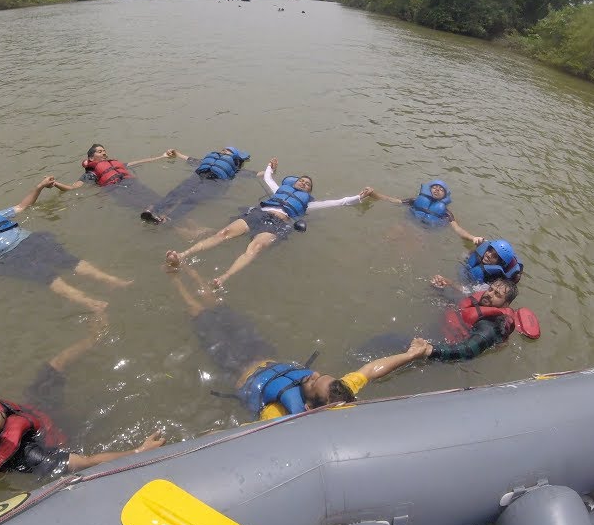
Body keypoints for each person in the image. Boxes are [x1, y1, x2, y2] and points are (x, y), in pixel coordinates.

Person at [0, 320, 167, 499]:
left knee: (55, 365)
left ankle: (94, 337)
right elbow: (85, 461)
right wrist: (139, 451)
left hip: (32, 414)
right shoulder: (28, 455)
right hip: (53, 435)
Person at [170, 266, 433, 421]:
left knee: (199, 313)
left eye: (310, 382)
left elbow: (249, 437)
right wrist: (411, 354)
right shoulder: (337, 391)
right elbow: (371, 370)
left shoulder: (277, 412)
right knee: (220, 307)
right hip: (262, 353)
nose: (313, 375)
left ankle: (174, 278)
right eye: (318, 376)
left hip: (233, 362)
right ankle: (189, 270)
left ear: (308, 407)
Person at [163, 157, 375, 288]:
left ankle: (223, 278)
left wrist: (359, 197)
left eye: (308, 184)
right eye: (301, 180)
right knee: (223, 233)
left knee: (254, 248)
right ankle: (182, 255)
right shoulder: (279, 191)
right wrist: (270, 167)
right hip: (258, 214)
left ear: (309, 191)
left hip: (277, 224)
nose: (304, 182)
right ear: (294, 183)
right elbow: (268, 179)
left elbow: (337, 202)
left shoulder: (308, 205)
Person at [0, 175, 132, 315]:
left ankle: (112, 282)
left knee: (69, 260)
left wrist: (40, 186)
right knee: (46, 276)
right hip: (7, 257)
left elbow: (22, 206)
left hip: (28, 239)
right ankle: (92, 303)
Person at [359, 276, 538, 363]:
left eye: (496, 295)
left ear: (505, 303)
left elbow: (467, 350)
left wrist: (430, 350)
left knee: (387, 340)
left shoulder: (489, 327)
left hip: (443, 351)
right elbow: (461, 306)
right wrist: (441, 289)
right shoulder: (479, 300)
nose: (489, 294)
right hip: (439, 336)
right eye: (490, 289)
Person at [139, 146, 252, 225]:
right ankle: (151, 210)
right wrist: (176, 153)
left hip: (214, 182)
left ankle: (166, 219)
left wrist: (268, 171)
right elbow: (190, 160)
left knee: (191, 200)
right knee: (176, 192)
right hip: (198, 176)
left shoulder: (234, 168)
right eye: (223, 149)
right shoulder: (209, 159)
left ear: (234, 157)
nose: (224, 151)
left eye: (228, 151)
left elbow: (253, 174)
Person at [53, 144, 182, 211]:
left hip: (132, 183)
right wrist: (55, 183)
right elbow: (72, 188)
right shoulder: (91, 174)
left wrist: (162, 156)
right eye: (100, 151)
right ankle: (153, 213)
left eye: (104, 151)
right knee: (145, 205)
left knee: (161, 201)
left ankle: (165, 214)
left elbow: (139, 162)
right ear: (91, 158)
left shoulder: (115, 165)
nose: (104, 153)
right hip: (116, 190)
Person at [370, 179, 483, 245]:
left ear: (445, 195)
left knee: (413, 244)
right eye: (435, 187)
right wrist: (373, 194)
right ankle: (378, 245)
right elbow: (392, 200)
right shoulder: (415, 200)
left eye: (441, 189)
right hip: (408, 223)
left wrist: (473, 238)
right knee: (394, 231)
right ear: (429, 190)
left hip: (424, 231)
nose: (437, 189)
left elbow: (457, 229)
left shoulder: (446, 213)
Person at [460, 239, 524, 285]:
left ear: (500, 264)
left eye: (495, 256)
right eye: (489, 250)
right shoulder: (477, 255)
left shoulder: (494, 282)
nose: (488, 255)